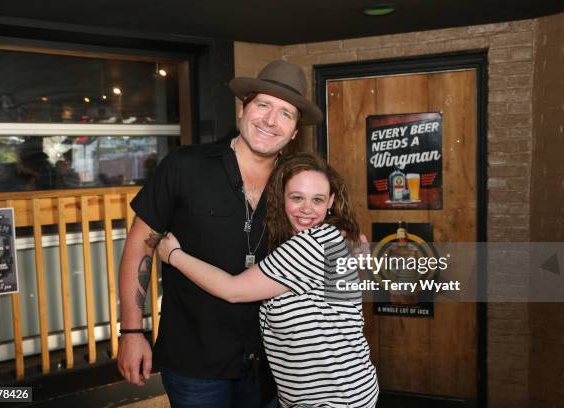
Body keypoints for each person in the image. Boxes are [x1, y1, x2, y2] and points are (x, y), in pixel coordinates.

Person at [117, 60, 324, 407]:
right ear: (243, 108)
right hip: (196, 360)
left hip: (274, 363)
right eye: (263, 105)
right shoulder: (185, 166)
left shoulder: (295, 183)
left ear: (294, 129)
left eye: (285, 114)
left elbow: (324, 234)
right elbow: (140, 244)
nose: (271, 121)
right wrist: (131, 331)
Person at [157, 153, 379, 407]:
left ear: (331, 201)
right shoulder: (334, 239)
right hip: (345, 390)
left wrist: (174, 255)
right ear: (281, 198)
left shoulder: (314, 244)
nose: (307, 209)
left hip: (330, 398)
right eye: (297, 198)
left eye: (317, 200)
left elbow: (233, 289)